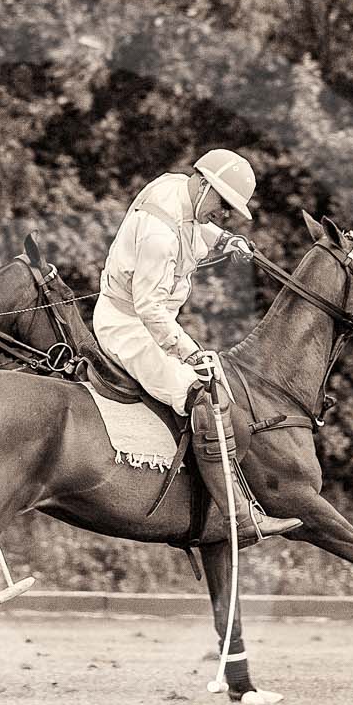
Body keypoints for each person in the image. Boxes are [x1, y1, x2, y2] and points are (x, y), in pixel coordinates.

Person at [92, 149, 301, 546]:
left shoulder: (180, 189)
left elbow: (194, 226)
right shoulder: (159, 233)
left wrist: (225, 239)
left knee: (220, 381)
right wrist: (190, 353)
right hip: (128, 326)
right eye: (223, 206)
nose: (224, 214)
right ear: (205, 185)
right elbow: (149, 307)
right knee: (199, 392)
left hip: (150, 323)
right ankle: (239, 516)